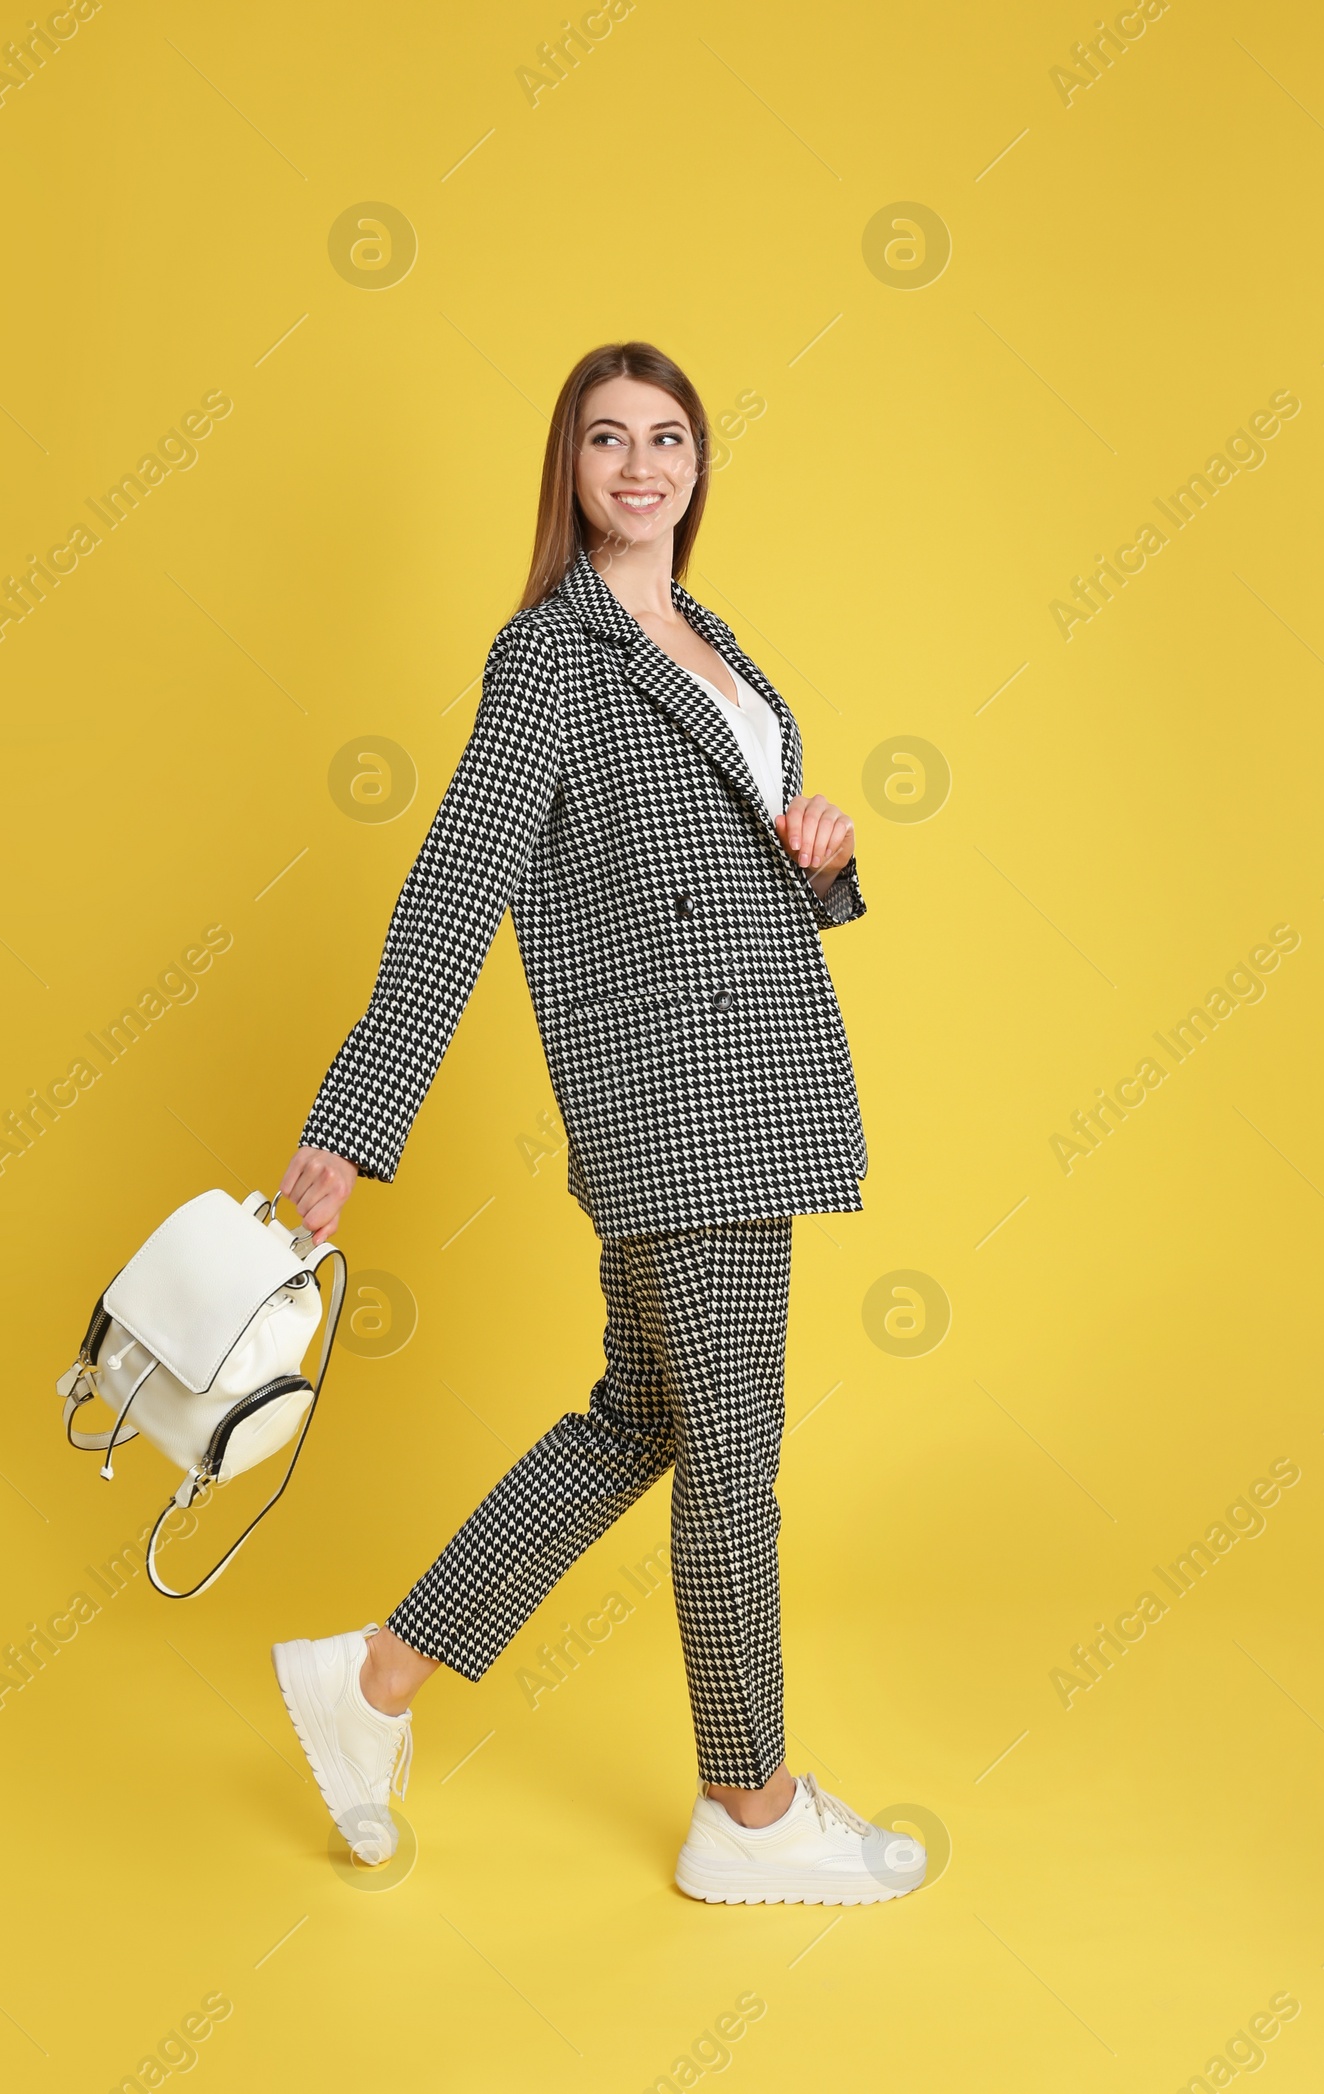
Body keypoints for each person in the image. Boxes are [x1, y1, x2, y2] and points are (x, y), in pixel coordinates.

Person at [269, 341, 924, 1906]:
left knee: (642, 1419)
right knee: (734, 1460)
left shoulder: (707, 638)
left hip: (746, 1081)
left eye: (670, 438)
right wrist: (355, 1123)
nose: (643, 466)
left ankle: (368, 1681)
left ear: (702, 464)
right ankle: (748, 1809)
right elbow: (458, 883)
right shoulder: (554, 653)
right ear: (569, 468)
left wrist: (815, 860)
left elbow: (719, 873)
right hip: (677, 1103)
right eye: (610, 439)